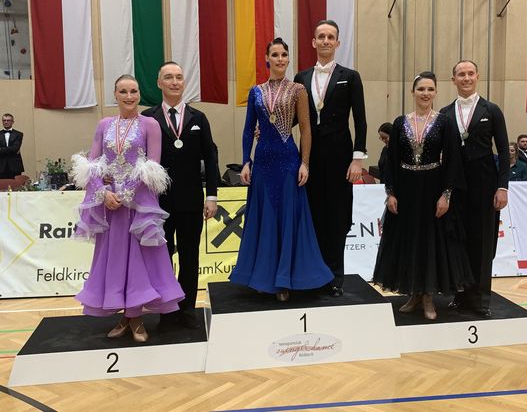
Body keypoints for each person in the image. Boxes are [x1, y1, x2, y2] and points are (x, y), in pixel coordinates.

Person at [71, 75, 184, 343]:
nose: (129, 96)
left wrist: (124, 193)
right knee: (116, 259)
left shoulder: (150, 124)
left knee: (140, 261)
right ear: (115, 94)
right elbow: (91, 164)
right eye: (123, 91)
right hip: (111, 207)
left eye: (133, 91)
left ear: (139, 93)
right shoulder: (104, 124)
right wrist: (103, 193)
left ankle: (135, 317)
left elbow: (152, 165)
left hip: (139, 206)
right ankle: (125, 316)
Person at [229, 38, 333, 301]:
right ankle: (263, 277)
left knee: (288, 217)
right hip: (263, 162)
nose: (280, 59)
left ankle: (285, 279)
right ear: (267, 59)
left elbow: (306, 129)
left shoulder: (298, 90)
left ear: (288, 58)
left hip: (288, 161)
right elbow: (247, 129)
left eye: (284, 54)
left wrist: (305, 163)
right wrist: (245, 160)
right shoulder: (255, 92)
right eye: (275, 55)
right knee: (265, 217)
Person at [372, 72, 472, 320]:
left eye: (430, 89)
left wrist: (446, 194)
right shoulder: (400, 123)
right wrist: (390, 192)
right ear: (413, 92)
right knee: (409, 242)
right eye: (421, 89)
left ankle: (428, 296)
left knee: (429, 243)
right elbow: (392, 161)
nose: (425, 93)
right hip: (406, 190)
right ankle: (414, 293)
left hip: (432, 188)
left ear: (436, 92)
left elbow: (453, 160)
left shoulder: (445, 122)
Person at [294, 20, 367, 296]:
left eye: (330, 37)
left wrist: (357, 159)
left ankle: (335, 276)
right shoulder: (301, 77)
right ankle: (313, 275)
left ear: (337, 43)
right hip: (309, 156)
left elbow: (360, 120)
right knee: (312, 215)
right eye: (321, 36)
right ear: (313, 42)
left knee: (337, 217)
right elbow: (294, 118)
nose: (325, 40)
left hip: (340, 156)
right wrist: (267, 125)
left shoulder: (351, 76)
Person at [143, 62, 219, 330]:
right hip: (158, 203)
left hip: (191, 201)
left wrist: (212, 196)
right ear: (159, 83)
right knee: (162, 258)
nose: (174, 82)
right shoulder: (148, 118)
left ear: (184, 82)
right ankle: (166, 310)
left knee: (189, 256)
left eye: (178, 77)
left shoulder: (199, 118)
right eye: (168, 77)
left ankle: (187, 309)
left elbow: (210, 157)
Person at [440, 60, 509, 317]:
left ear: (477, 76)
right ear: (453, 80)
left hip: (485, 186)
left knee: (482, 242)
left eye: (470, 73)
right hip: (456, 187)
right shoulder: (446, 113)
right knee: (458, 241)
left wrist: (502, 187)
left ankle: (480, 299)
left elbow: (504, 150)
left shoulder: (492, 110)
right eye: (461, 74)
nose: (466, 78)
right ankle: (460, 295)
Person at [0, 113, 24, 179]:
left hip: (15, 165)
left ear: (12, 122)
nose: (6, 122)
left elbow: (15, 148)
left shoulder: (19, 134)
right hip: (1, 166)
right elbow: (13, 149)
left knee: (16, 184)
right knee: (2, 185)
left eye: (8, 120)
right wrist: (12, 149)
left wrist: (1, 149)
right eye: (4, 120)